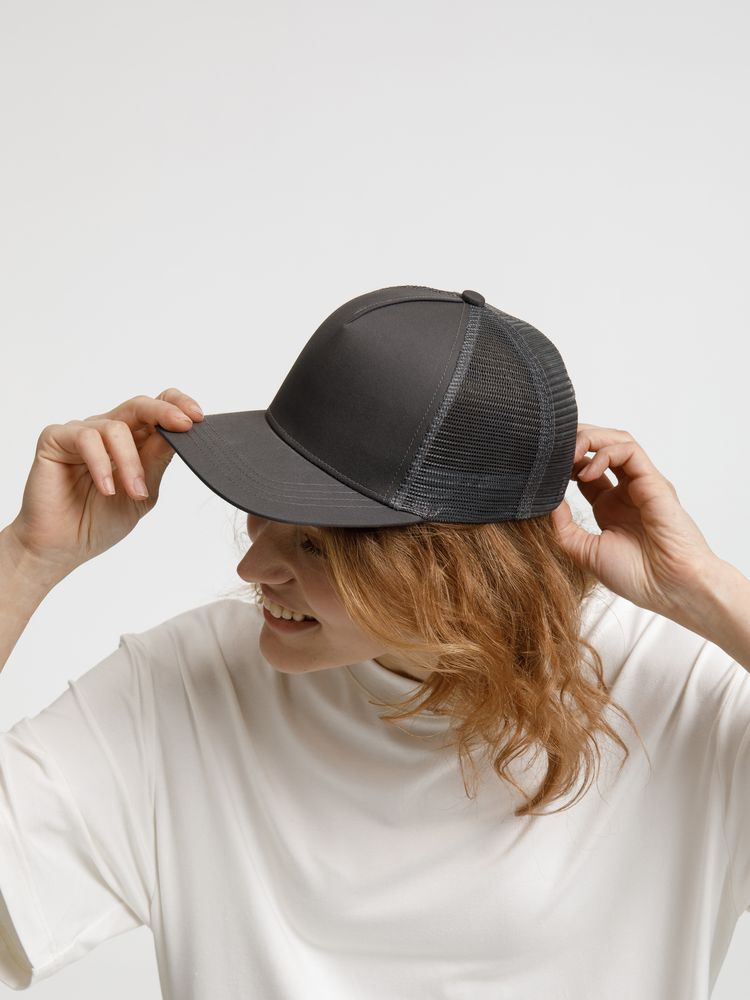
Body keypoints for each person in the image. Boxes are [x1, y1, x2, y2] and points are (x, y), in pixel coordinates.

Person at [1, 286, 749, 1000]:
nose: (251, 568)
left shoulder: (680, 696)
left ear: (454, 571)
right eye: (265, 510)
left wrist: (705, 588)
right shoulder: (185, 689)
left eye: (316, 545)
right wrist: (26, 558)